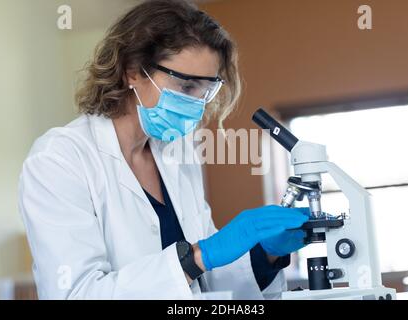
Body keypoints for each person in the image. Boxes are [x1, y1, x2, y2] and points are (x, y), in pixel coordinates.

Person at [18, 0, 309, 299]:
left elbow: (207, 283)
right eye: (186, 87)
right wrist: (198, 257)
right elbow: (76, 293)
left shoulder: (177, 153)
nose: (197, 103)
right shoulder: (59, 159)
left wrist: (266, 255)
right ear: (132, 71)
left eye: (206, 89)